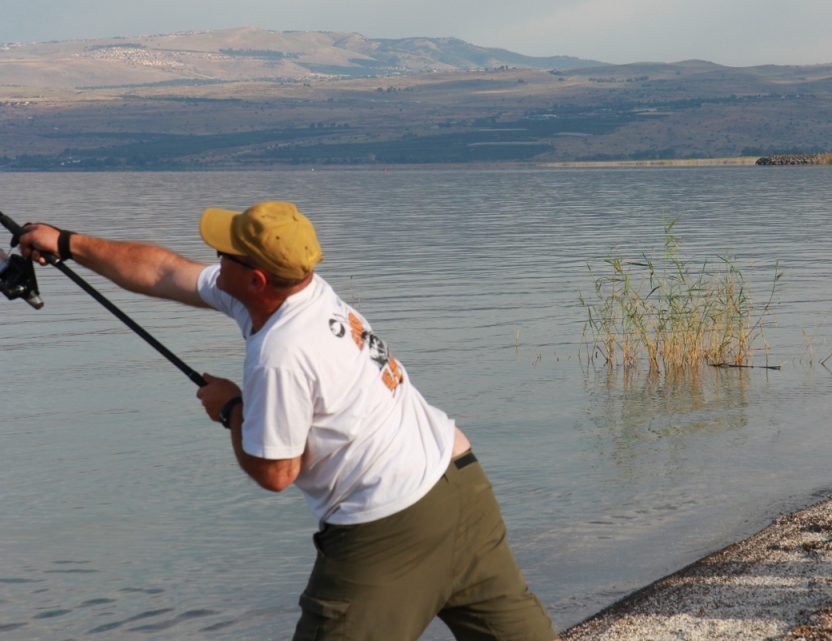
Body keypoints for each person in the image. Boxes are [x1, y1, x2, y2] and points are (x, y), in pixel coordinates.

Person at [19, 201, 559, 641]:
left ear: (255, 278)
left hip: (388, 528)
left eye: (223, 253)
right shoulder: (300, 292)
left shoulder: (280, 352)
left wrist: (231, 409)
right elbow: (164, 272)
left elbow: (277, 472)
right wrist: (68, 242)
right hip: (461, 486)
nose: (213, 258)